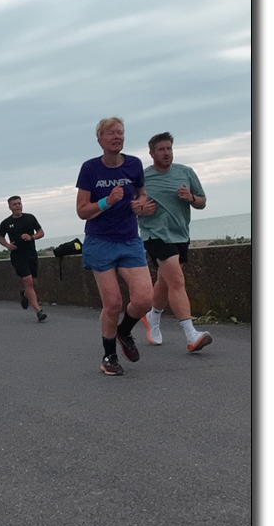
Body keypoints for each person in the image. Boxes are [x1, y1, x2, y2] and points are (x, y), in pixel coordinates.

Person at [76, 116, 154, 375]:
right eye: (111, 133)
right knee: (113, 304)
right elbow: (81, 211)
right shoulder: (90, 169)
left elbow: (141, 193)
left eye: (120, 132)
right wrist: (106, 202)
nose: (117, 136)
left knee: (144, 299)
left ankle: (124, 331)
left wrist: (140, 204)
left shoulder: (133, 164)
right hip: (100, 242)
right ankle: (109, 357)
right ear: (100, 140)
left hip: (130, 240)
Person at [137, 132, 213, 352]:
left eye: (169, 148)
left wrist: (191, 198)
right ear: (151, 153)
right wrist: (140, 210)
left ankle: (152, 317)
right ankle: (191, 335)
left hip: (180, 234)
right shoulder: (142, 178)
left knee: (165, 281)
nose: (166, 153)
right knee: (177, 281)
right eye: (161, 149)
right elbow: (130, 206)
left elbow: (202, 202)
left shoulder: (185, 172)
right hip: (155, 234)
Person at [0, 196, 47, 323]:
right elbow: (0, 237)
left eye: (19, 203)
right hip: (18, 256)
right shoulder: (6, 223)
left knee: (32, 283)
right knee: (28, 280)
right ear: (10, 207)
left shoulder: (30, 218)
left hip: (31, 254)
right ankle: (38, 311)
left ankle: (25, 294)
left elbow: (41, 232)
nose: (17, 206)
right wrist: (7, 245)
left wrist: (32, 237)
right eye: (14, 204)